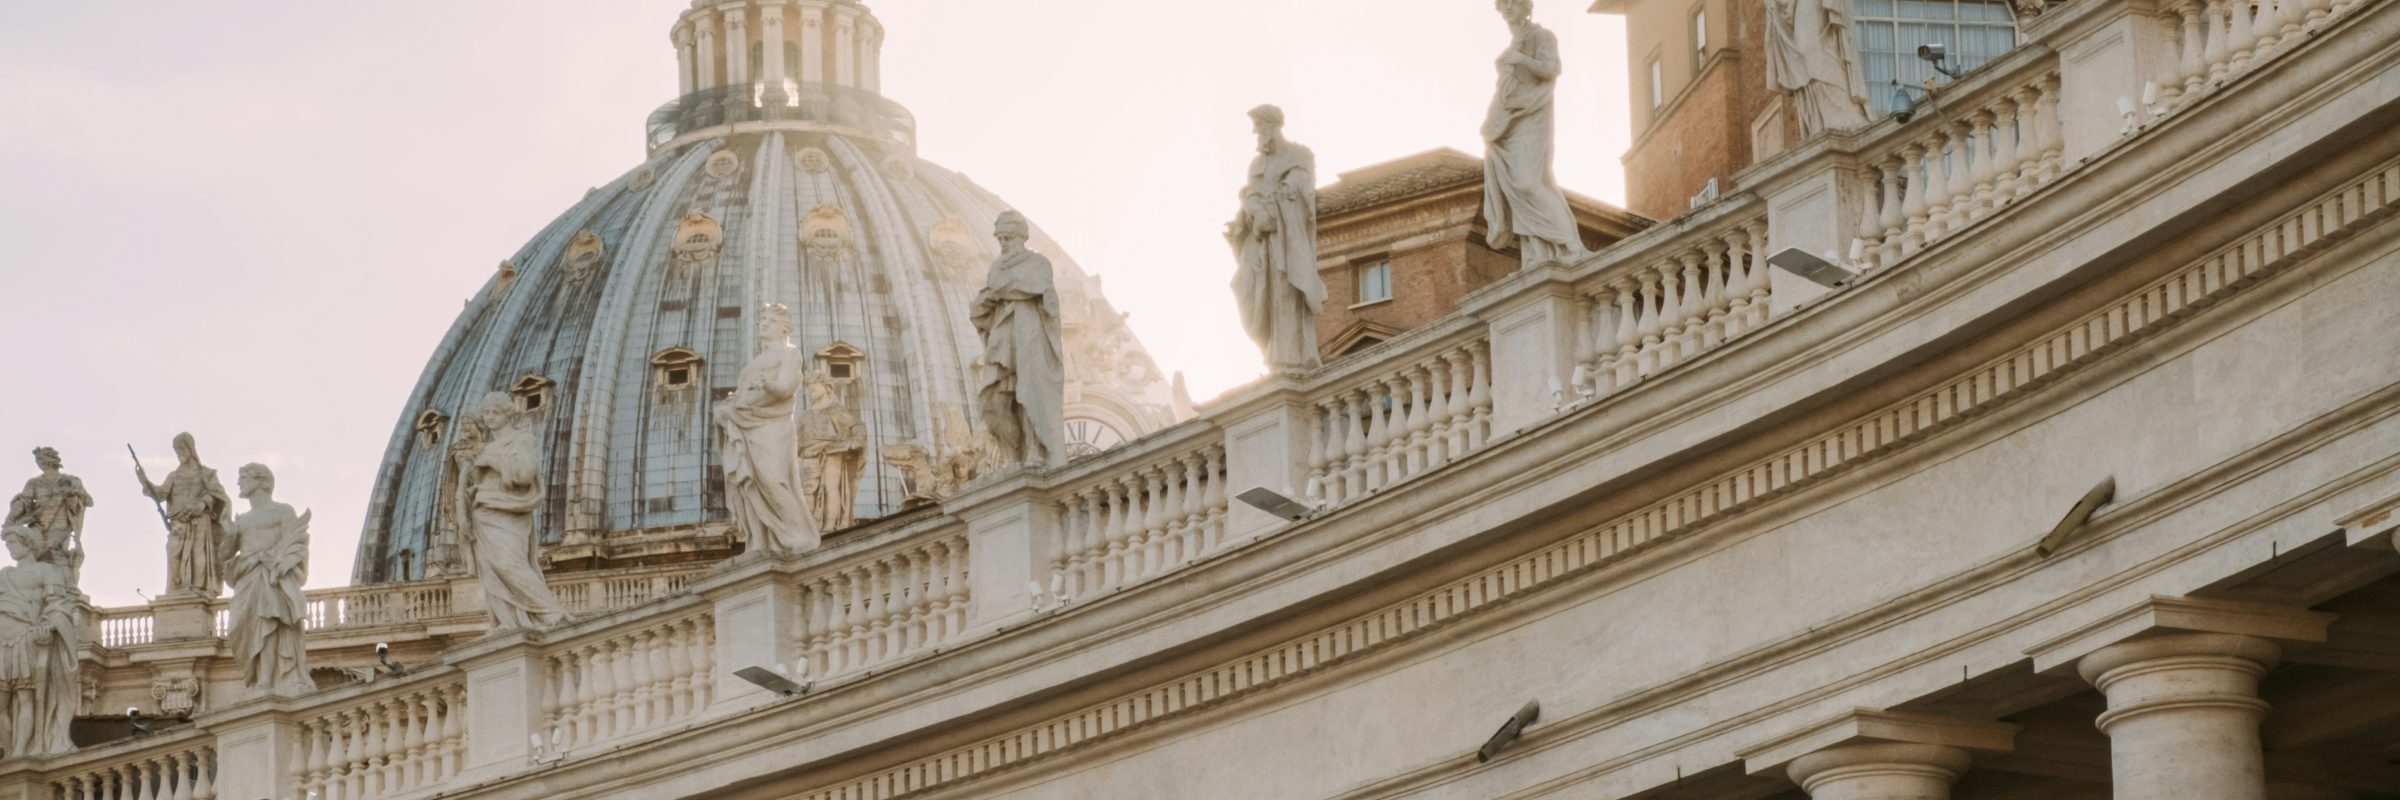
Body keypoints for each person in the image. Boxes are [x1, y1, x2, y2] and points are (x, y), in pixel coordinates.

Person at [1482, 0, 1586, 268]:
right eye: (1502, 4)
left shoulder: (1542, 36)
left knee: (1528, 182)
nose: (1507, 8)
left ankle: (1571, 244)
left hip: (1534, 115)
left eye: (1513, 3)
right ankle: (1536, 253)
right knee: (1516, 185)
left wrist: (1521, 60)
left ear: (1526, 7)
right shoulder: (1511, 46)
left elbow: (1552, 69)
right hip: (1508, 124)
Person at [715, 305, 824, 557]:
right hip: (747, 424)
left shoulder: (789, 353)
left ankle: (798, 537)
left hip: (771, 425)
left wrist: (767, 384)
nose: (763, 324)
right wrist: (729, 408)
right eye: (762, 320)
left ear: (784, 328)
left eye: (771, 320)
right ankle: (760, 541)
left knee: (773, 480)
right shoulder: (756, 361)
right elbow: (745, 395)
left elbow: (785, 388)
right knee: (752, 482)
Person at [1226, 104, 1329, 371]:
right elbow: (1251, 193)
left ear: (1273, 126)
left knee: (1286, 288)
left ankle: (1289, 356)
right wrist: (1258, 213)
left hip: (1287, 235)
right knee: (1246, 286)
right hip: (1264, 240)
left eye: (1259, 128)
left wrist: (1278, 205)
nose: (1256, 134)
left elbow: (1300, 185)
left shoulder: (1299, 154)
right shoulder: (1257, 163)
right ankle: (1272, 352)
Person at [455, 392, 568, 629]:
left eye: (495, 412)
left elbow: (524, 474)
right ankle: (507, 620)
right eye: (486, 413)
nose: (489, 418)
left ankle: (549, 611)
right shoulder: (483, 448)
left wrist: (491, 460)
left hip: (509, 512)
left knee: (509, 564)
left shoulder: (521, 439)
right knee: (492, 571)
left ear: (508, 414)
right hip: (484, 513)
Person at [970, 211, 1066, 467]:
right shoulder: (996, 268)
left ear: (1021, 237)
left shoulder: (1038, 264)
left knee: (1028, 393)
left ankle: (1035, 451)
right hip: (1002, 339)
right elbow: (979, 307)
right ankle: (1012, 456)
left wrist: (1002, 288)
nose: (1003, 243)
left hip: (1028, 336)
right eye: (1000, 238)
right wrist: (997, 293)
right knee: (995, 401)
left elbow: (1035, 288)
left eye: (1008, 237)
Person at [223, 463, 314, 693]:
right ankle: (257, 677)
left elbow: (296, 545)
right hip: (247, 579)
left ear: (261, 481)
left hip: (272, 577)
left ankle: (266, 680)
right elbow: (223, 555)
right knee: (244, 629)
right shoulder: (241, 521)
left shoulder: (282, 512)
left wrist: (281, 564)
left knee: (270, 623)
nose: (239, 483)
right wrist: (229, 533)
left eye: (244, 477)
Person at [0, 524, 78, 757]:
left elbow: (58, 605)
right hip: (2, 641)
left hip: (27, 638)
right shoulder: (4, 575)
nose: (9, 548)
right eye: (7, 544)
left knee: (26, 696)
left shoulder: (47, 571)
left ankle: (20, 752)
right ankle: (8, 748)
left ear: (28, 543)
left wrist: (48, 626)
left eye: (13, 543)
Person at [139, 433, 231, 597]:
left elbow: (218, 494)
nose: (179, 452)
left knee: (198, 553)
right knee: (173, 552)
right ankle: (176, 588)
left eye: (181, 448)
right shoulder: (173, 476)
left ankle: (197, 588)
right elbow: (159, 494)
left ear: (190, 448)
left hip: (200, 519)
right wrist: (144, 480)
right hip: (178, 522)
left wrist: (203, 503)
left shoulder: (206, 473)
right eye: (176, 449)